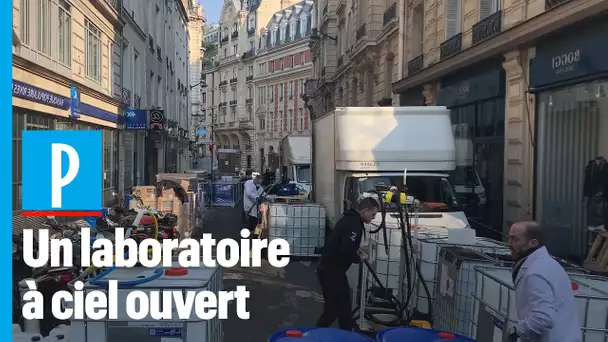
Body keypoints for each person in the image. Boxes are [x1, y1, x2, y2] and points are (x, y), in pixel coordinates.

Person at [507, 221, 582, 342]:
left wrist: (516, 331)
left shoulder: (536, 272)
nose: (509, 244)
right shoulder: (547, 264)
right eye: (509, 238)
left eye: (515, 239)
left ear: (533, 243)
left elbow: (543, 319)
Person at [316, 197, 379, 331]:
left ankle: (347, 333)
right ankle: (314, 335)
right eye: (373, 214)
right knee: (334, 309)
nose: (374, 218)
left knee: (342, 309)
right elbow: (346, 248)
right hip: (331, 272)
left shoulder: (349, 219)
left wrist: (356, 250)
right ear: (365, 210)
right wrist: (359, 258)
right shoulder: (354, 224)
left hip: (331, 270)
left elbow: (344, 243)